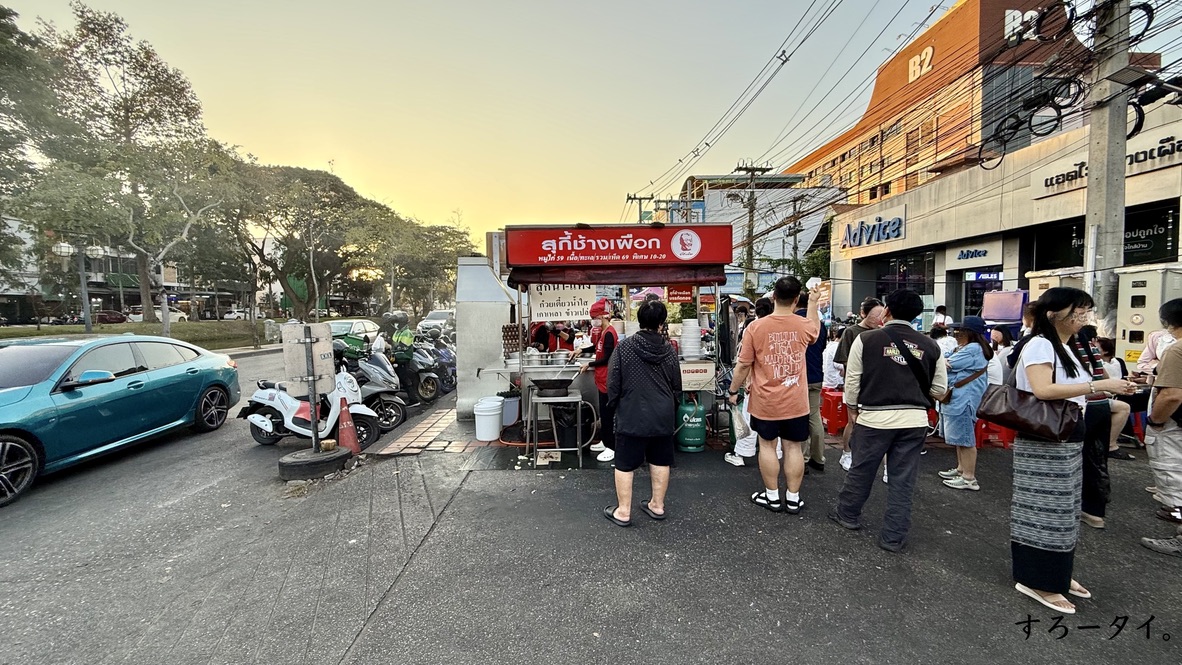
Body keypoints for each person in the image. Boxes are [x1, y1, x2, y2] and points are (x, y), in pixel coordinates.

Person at [1009, 287, 1137, 615]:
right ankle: (1037, 580)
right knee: (1043, 513)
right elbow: (1043, 389)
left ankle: (1057, 575)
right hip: (1044, 440)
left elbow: (1072, 392)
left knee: (1063, 513)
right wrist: (1101, 385)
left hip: (1064, 437)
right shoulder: (1039, 344)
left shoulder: (1066, 346)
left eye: (1086, 311)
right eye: (1078, 311)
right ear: (1054, 313)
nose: (1084, 317)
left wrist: (1116, 385)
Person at [830, 289, 947, 552]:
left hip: (874, 417)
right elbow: (939, 390)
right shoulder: (931, 345)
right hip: (915, 420)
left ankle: (848, 515)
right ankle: (893, 537)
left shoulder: (867, 339)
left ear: (887, 311)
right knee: (902, 479)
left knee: (862, 469)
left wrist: (852, 408)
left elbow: (852, 381)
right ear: (917, 315)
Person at [726, 277, 824, 514]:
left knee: (767, 446)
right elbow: (815, 328)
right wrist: (813, 302)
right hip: (795, 402)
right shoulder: (803, 325)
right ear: (795, 299)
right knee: (793, 447)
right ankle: (793, 498)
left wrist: (732, 391)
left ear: (773, 297)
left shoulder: (755, 327)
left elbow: (743, 365)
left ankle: (771, 497)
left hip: (765, 402)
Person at [603, 300, 682, 527]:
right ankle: (657, 505)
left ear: (639, 320)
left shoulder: (624, 348)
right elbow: (677, 385)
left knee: (625, 463)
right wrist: (670, 405)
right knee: (660, 460)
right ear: (662, 322)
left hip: (632, 412)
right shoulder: (669, 350)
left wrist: (615, 404)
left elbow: (613, 383)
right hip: (662, 414)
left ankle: (623, 511)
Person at [936, 317, 992, 491]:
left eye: (959, 330)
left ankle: (969, 477)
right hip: (960, 397)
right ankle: (961, 469)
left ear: (968, 332)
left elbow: (947, 364)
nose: (955, 333)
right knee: (960, 437)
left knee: (966, 438)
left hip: (964, 399)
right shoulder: (970, 347)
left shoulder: (973, 349)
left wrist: (942, 360)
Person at [834, 298, 884, 471]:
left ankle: (873, 459)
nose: (879, 319)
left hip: (877, 384)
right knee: (853, 421)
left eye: (882, 314)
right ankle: (846, 453)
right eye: (876, 315)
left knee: (879, 425)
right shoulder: (852, 332)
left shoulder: (883, 332)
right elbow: (844, 361)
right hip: (856, 383)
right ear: (863, 314)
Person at [1145, 298, 1182, 529]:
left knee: (1174, 479)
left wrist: (1155, 421)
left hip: (1175, 423)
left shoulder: (1176, 350)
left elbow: (1172, 395)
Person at [725, 298, 774, 467]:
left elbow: (745, 362)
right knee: (776, 427)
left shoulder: (752, 328)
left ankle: (741, 454)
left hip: (756, 383)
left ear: (756, 311)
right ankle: (778, 454)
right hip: (779, 385)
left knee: (749, 421)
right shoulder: (780, 327)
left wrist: (737, 387)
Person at [583, 299, 620, 463]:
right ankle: (605, 441)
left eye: (595, 317)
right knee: (603, 413)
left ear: (603, 316)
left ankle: (612, 447)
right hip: (601, 378)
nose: (593, 321)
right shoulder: (603, 332)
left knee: (607, 414)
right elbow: (596, 347)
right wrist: (580, 350)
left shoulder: (610, 333)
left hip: (607, 379)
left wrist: (589, 364)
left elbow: (606, 358)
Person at [796, 293, 828, 472]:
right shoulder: (820, 325)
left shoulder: (793, 323)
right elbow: (821, 347)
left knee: (800, 418)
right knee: (814, 417)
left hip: (798, 378)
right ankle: (819, 457)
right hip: (816, 375)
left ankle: (802, 458)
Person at [385, 310, 421, 407]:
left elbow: (403, 346)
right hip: (396, 357)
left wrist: (391, 345)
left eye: (396, 323)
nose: (395, 325)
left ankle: (414, 400)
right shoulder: (398, 332)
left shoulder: (407, 333)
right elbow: (393, 343)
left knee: (404, 379)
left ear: (401, 323)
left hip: (403, 359)